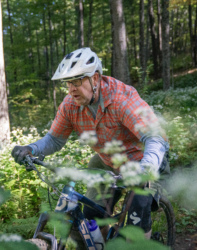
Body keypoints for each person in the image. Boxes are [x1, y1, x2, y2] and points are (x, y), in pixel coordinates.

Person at [11, 47, 169, 244]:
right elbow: (54, 139)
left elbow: (155, 138)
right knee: (90, 217)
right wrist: (31, 149)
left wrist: (146, 169)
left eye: (76, 81)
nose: (71, 89)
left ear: (95, 79)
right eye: (68, 82)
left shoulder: (121, 100)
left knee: (136, 220)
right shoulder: (70, 105)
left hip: (146, 158)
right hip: (106, 161)